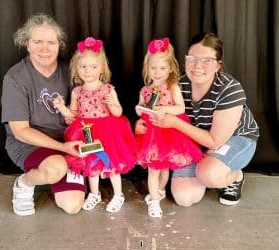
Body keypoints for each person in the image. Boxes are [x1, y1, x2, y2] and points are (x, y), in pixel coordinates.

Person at [136, 32, 259, 207]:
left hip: (233, 139)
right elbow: (157, 112)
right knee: (184, 198)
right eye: (192, 58)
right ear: (185, 60)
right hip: (194, 140)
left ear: (218, 65)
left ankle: (234, 176)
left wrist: (175, 122)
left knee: (210, 175)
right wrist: (144, 121)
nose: (198, 65)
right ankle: (207, 166)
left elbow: (214, 141)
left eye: (207, 60)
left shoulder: (230, 89)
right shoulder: (177, 85)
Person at [1, 13, 86, 216]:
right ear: (27, 44)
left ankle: (55, 172)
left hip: (69, 141)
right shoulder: (16, 78)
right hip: (30, 144)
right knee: (57, 166)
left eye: (51, 42)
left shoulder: (72, 71)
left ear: (59, 45)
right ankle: (25, 183)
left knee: (72, 205)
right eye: (37, 41)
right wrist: (61, 148)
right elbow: (20, 131)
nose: (44, 49)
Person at [53, 37, 136, 213]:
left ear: (101, 68)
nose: (88, 71)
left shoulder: (108, 89)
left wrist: (113, 104)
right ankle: (95, 193)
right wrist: (62, 108)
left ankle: (118, 194)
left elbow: (118, 112)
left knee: (110, 163)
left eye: (93, 67)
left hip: (108, 132)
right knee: (91, 165)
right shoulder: (77, 91)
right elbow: (74, 115)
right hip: (85, 131)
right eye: (83, 66)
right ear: (76, 68)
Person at [135, 38, 203, 218]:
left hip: (168, 132)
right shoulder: (145, 90)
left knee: (164, 168)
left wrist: (165, 109)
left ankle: (159, 190)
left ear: (170, 68)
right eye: (153, 68)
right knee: (153, 169)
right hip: (151, 134)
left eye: (162, 68)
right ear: (147, 68)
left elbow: (180, 108)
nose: (157, 73)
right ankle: (155, 201)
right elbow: (142, 107)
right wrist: (139, 109)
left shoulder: (172, 86)